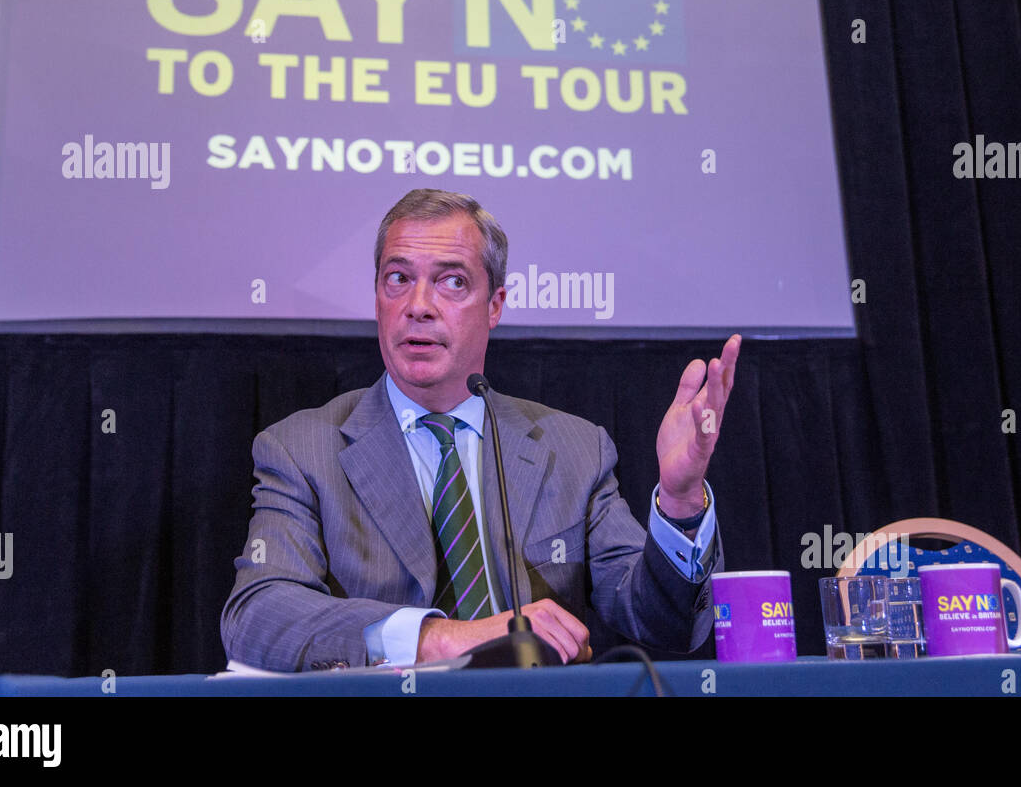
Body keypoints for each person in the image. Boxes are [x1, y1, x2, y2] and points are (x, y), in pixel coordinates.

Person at [220, 189, 741, 670]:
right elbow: (258, 614)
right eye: (397, 278)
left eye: (452, 281)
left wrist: (679, 500)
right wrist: (441, 638)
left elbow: (665, 623)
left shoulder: (573, 449)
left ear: (495, 306)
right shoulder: (303, 449)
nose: (418, 306)